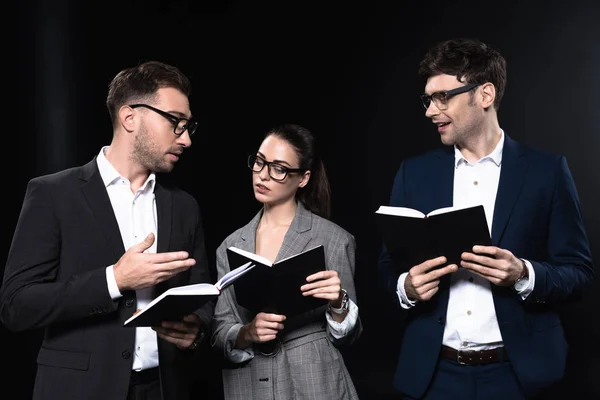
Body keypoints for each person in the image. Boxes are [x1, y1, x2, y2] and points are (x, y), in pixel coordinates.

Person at [378, 38, 594, 400]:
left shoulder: (547, 172)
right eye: (428, 99)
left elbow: (579, 273)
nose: (431, 111)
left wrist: (523, 275)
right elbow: (388, 266)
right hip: (434, 376)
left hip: (520, 376)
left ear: (485, 94)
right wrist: (407, 288)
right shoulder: (413, 174)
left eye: (442, 97)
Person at [0, 60, 214, 400]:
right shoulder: (53, 193)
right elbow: (17, 305)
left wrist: (197, 331)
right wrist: (114, 280)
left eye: (189, 126)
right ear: (130, 117)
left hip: (165, 388)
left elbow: (203, 295)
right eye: (175, 123)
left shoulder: (184, 206)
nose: (186, 139)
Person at [211, 124, 362, 399]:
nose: (263, 175)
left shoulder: (333, 239)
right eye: (259, 162)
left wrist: (339, 303)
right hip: (249, 384)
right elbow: (219, 333)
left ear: (303, 178)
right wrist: (247, 332)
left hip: (315, 382)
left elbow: (350, 337)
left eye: (278, 168)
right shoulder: (230, 246)